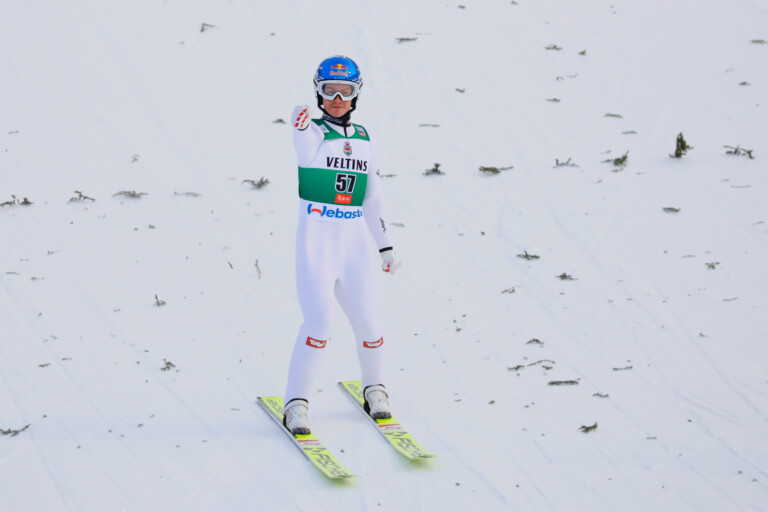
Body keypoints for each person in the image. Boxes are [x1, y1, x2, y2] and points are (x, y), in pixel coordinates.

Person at [282, 55, 400, 435]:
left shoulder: (367, 139)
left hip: (352, 245)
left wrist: (385, 245)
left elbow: (372, 197)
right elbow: (303, 150)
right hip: (317, 242)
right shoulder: (313, 133)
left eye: (344, 91)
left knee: (368, 322)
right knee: (318, 325)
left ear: (356, 93)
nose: (336, 97)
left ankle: (375, 389)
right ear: (318, 92)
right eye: (329, 90)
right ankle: (296, 404)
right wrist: (299, 128)